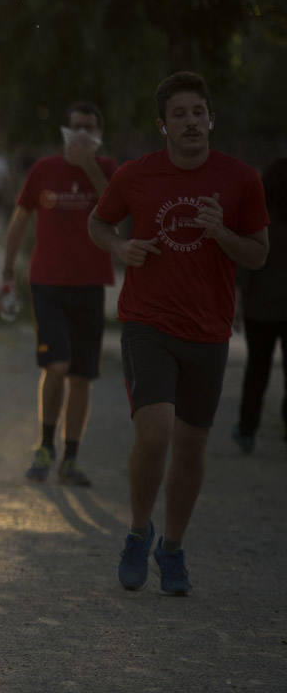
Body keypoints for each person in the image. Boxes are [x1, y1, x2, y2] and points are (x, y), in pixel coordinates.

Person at [88, 71, 269, 595]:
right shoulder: (136, 175)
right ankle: (137, 533)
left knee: (190, 449)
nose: (190, 121)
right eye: (179, 114)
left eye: (198, 112)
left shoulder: (241, 179)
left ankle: (171, 547)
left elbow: (258, 254)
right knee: (155, 433)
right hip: (148, 323)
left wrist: (220, 232)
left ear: (211, 119)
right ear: (162, 126)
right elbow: (99, 224)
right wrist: (120, 248)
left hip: (209, 330)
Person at [0, 102, 117, 486]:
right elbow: (20, 218)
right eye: (76, 126)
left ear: (98, 134)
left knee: (82, 377)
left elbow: (115, 209)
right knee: (57, 365)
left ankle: (71, 458)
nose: (82, 133)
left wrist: (89, 166)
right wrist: (7, 272)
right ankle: (45, 446)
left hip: (91, 284)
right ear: (65, 131)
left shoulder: (108, 169)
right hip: (47, 284)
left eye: (89, 128)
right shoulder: (44, 170)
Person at [233, 158, 287, 453]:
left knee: (256, 370)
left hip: (260, 308)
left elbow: (246, 266)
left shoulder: (259, 220)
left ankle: (247, 429)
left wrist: (237, 303)